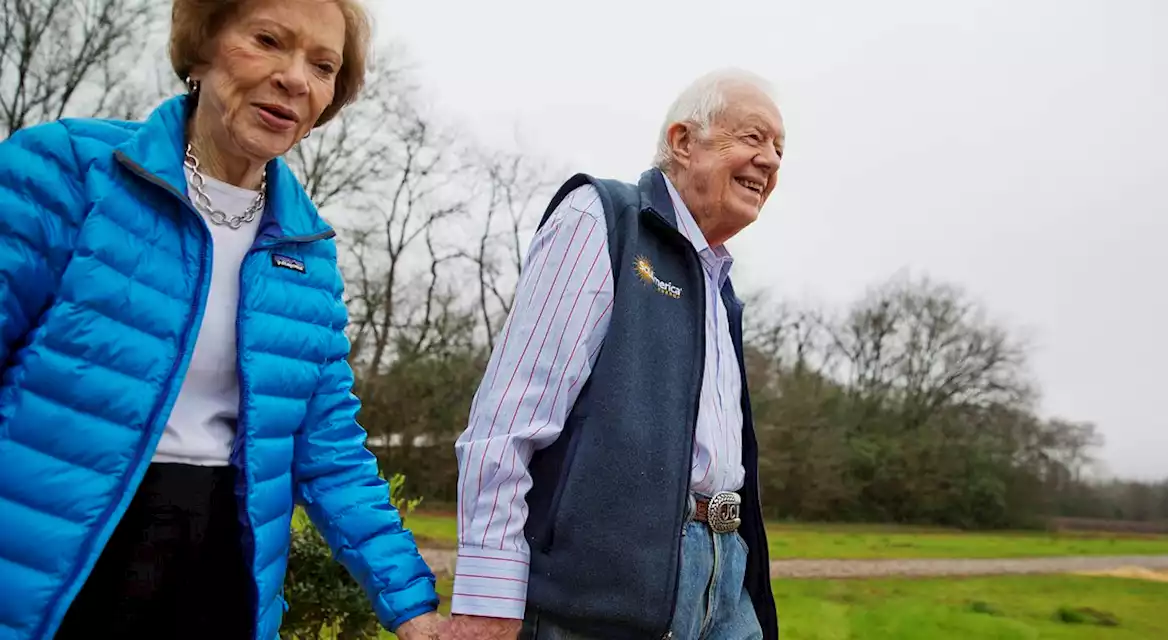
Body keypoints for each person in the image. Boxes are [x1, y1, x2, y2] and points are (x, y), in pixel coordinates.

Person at [0, 1, 442, 638]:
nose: (296, 78)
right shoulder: (66, 171)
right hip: (57, 564)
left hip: (219, 572)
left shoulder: (305, 251)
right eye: (268, 40)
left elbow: (329, 453)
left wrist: (415, 611)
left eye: (324, 66)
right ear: (202, 45)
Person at [447, 69, 786, 640]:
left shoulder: (722, 288)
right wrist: (489, 598)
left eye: (779, 149)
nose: (772, 161)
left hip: (726, 587)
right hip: (602, 598)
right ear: (683, 141)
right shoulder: (601, 217)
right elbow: (505, 426)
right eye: (753, 138)